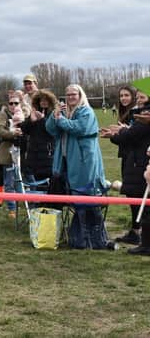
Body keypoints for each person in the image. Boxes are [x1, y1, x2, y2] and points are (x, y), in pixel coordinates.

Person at [46, 84, 109, 249]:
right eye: (67, 94)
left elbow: (78, 128)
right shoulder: (65, 112)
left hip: (84, 162)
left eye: (73, 94)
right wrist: (55, 116)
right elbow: (51, 129)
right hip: (66, 161)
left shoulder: (86, 112)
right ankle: (78, 236)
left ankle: (91, 238)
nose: (70, 97)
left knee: (86, 196)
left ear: (80, 95)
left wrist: (61, 120)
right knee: (75, 199)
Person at [100, 85, 139, 244]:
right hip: (127, 158)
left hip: (135, 160)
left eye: (127, 95)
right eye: (121, 95)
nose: (123, 98)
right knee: (131, 195)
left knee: (135, 194)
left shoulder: (135, 114)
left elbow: (132, 137)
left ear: (134, 97)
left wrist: (117, 134)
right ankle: (136, 230)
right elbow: (123, 139)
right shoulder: (126, 113)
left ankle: (138, 232)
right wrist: (113, 135)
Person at [0, 94, 26, 218]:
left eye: (16, 103)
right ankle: (12, 208)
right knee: (9, 182)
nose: (13, 105)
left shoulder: (25, 113)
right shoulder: (2, 115)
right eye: (11, 103)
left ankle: (25, 205)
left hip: (22, 153)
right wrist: (13, 133)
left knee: (21, 181)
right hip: (7, 153)